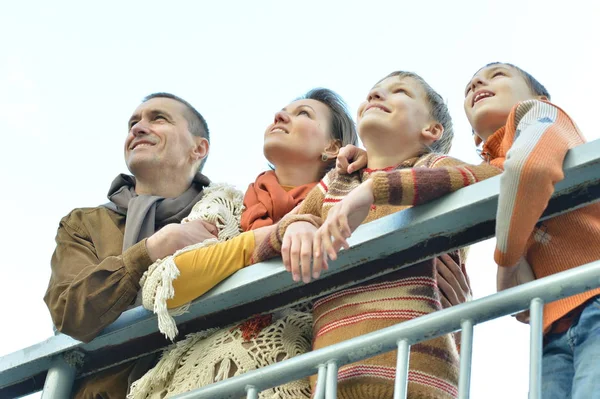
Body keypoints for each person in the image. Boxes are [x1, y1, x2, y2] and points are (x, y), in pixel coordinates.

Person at [259, 71, 501, 398]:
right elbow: (261, 248)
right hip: (333, 380)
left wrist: (377, 188)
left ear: (430, 130)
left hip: (417, 378)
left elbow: (493, 177)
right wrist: (298, 225)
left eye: (398, 91)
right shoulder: (336, 184)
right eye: (371, 93)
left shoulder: (434, 166)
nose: (375, 97)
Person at [128, 88, 358, 399]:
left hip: (293, 376)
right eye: (282, 111)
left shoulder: (347, 205)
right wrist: (262, 240)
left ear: (333, 147)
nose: (279, 116)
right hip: (197, 381)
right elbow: (165, 284)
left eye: (303, 113)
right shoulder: (229, 205)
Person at [44, 93, 216, 398]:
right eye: (133, 123)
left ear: (198, 148)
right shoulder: (84, 223)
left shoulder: (226, 214)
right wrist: (150, 250)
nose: (137, 128)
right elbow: (69, 312)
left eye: (158, 118)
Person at [463, 62, 600, 399]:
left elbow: (531, 166)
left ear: (541, 96)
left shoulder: (538, 113)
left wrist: (506, 260)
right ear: (474, 137)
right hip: (553, 331)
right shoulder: (495, 177)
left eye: (497, 74)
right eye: (468, 88)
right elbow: (522, 304)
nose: (478, 82)